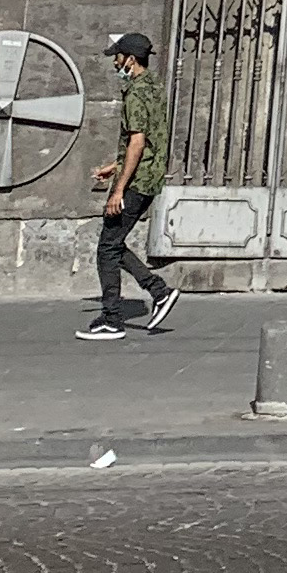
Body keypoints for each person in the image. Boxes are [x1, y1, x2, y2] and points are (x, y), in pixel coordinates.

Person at [77, 29, 179, 342]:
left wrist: (119, 188)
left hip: (136, 182)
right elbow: (148, 139)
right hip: (147, 176)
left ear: (130, 59)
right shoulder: (153, 87)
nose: (114, 63)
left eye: (117, 57)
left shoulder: (135, 92)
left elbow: (137, 141)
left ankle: (112, 319)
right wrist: (115, 166)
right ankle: (159, 292)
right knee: (113, 242)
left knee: (107, 248)